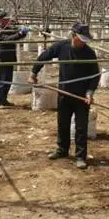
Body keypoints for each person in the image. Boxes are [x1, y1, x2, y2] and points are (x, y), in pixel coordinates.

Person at [28, 22, 100, 170]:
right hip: (64, 93)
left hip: (82, 96)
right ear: (73, 36)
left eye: (85, 40)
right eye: (80, 39)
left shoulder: (89, 53)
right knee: (63, 122)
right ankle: (62, 150)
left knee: (81, 126)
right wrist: (33, 73)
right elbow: (44, 56)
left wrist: (90, 92)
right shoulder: (61, 47)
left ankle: (80, 156)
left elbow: (95, 75)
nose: (82, 43)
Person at [0, 12, 28, 108]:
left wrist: (22, 32)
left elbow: (15, 34)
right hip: (2, 59)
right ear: (1, 20)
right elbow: (9, 38)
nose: (9, 20)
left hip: (9, 58)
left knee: (8, 80)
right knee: (1, 80)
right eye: (6, 19)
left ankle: (3, 100)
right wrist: (20, 33)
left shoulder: (7, 28)